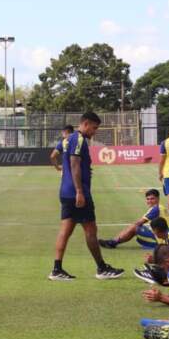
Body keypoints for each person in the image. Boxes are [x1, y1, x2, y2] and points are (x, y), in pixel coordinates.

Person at [49, 112, 123, 281]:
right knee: (90, 231)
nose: (95, 132)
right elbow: (75, 164)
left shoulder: (68, 139)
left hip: (66, 192)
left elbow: (61, 158)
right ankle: (101, 268)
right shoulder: (79, 139)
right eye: (94, 128)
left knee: (65, 231)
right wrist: (80, 191)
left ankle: (56, 269)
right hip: (77, 194)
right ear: (86, 124)